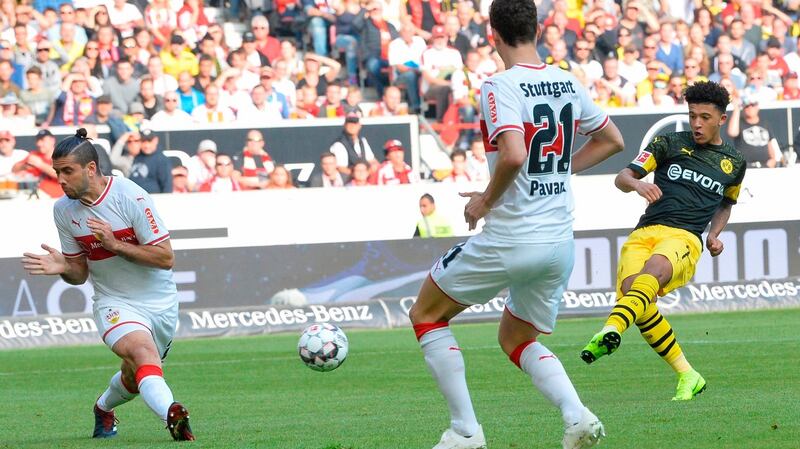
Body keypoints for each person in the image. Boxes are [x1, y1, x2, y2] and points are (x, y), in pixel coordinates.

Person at [408, 0, 625, 447]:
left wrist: (485, 201)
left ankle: (465, 432)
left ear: (493, 34)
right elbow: (612, 140)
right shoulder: (567, 81)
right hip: (559, 241)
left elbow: (513, 154)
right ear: (539, 28)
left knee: (426, 314)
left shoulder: (498, 86)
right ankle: (577, 415)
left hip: (512, 238)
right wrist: (560, 169)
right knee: (515, 337)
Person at [20, 128, 194, 442]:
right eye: (57, 172)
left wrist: (115, 245)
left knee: (133, 375)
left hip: (160, 304)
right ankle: (174, 415)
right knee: (143, 355)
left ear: (90, 168)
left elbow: (166, 258)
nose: (60, 180)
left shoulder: (132, 196)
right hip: (113, 302)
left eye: (67, 172)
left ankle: (103, 408)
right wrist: (63, 267)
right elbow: (78, 274)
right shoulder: (64, 210)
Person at [580, 81, 747, 402]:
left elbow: (727, 203)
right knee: (638, 302)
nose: (697, 123)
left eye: (705, 117)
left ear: (721, 120)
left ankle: (611, 329)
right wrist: (638, 186)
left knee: (651, 277)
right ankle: (688, 374)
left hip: (684, 236)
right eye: (692, 115)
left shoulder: (734, 162)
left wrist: (714, 234)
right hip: (643, 233)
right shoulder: (668, 142)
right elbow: (623, 176)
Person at [726, 95, 780, 168]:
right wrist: (736, 109)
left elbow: (770, 143)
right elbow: (732, 132)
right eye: (746, 106)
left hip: (765, 166)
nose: (750, 108)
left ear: (757, 106)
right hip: (746, 167)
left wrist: (773, 160)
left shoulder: (765, 123)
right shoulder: (739, 123)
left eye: (753, 105)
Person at [12, 129, 62, 198]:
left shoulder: (62, 155)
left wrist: (40, 164)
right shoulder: (34, 155)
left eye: (42, 140)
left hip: (56, 197)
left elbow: (62, 175)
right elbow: (14, 169)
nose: (39, 144)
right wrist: (24, 166)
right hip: (34, 195)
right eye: (38, 140)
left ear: (52, 140)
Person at [129, 129, 173, 194]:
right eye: (143, 141)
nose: (146, 145)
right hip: (133, 197)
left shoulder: (162, 160)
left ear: (156, 140)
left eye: (149, 141)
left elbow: (167, 186)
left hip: (152, 198)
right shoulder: (135, 156)